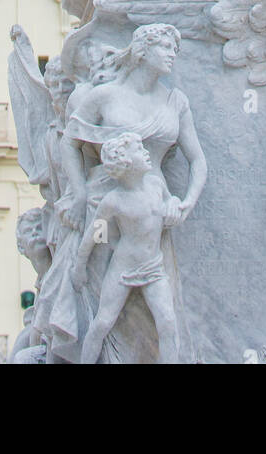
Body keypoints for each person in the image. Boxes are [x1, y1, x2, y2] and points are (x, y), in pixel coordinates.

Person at [73, 132, 179, 364]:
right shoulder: (114, 201)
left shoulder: (156, 185)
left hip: (154, 269)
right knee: (102, 323)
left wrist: (174, 203)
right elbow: (94, 235)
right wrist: (80, 266)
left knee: (168, 322)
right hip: (122, 271)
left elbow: (171, 203)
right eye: (140, 151)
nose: (147, 153)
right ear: (127, 163)